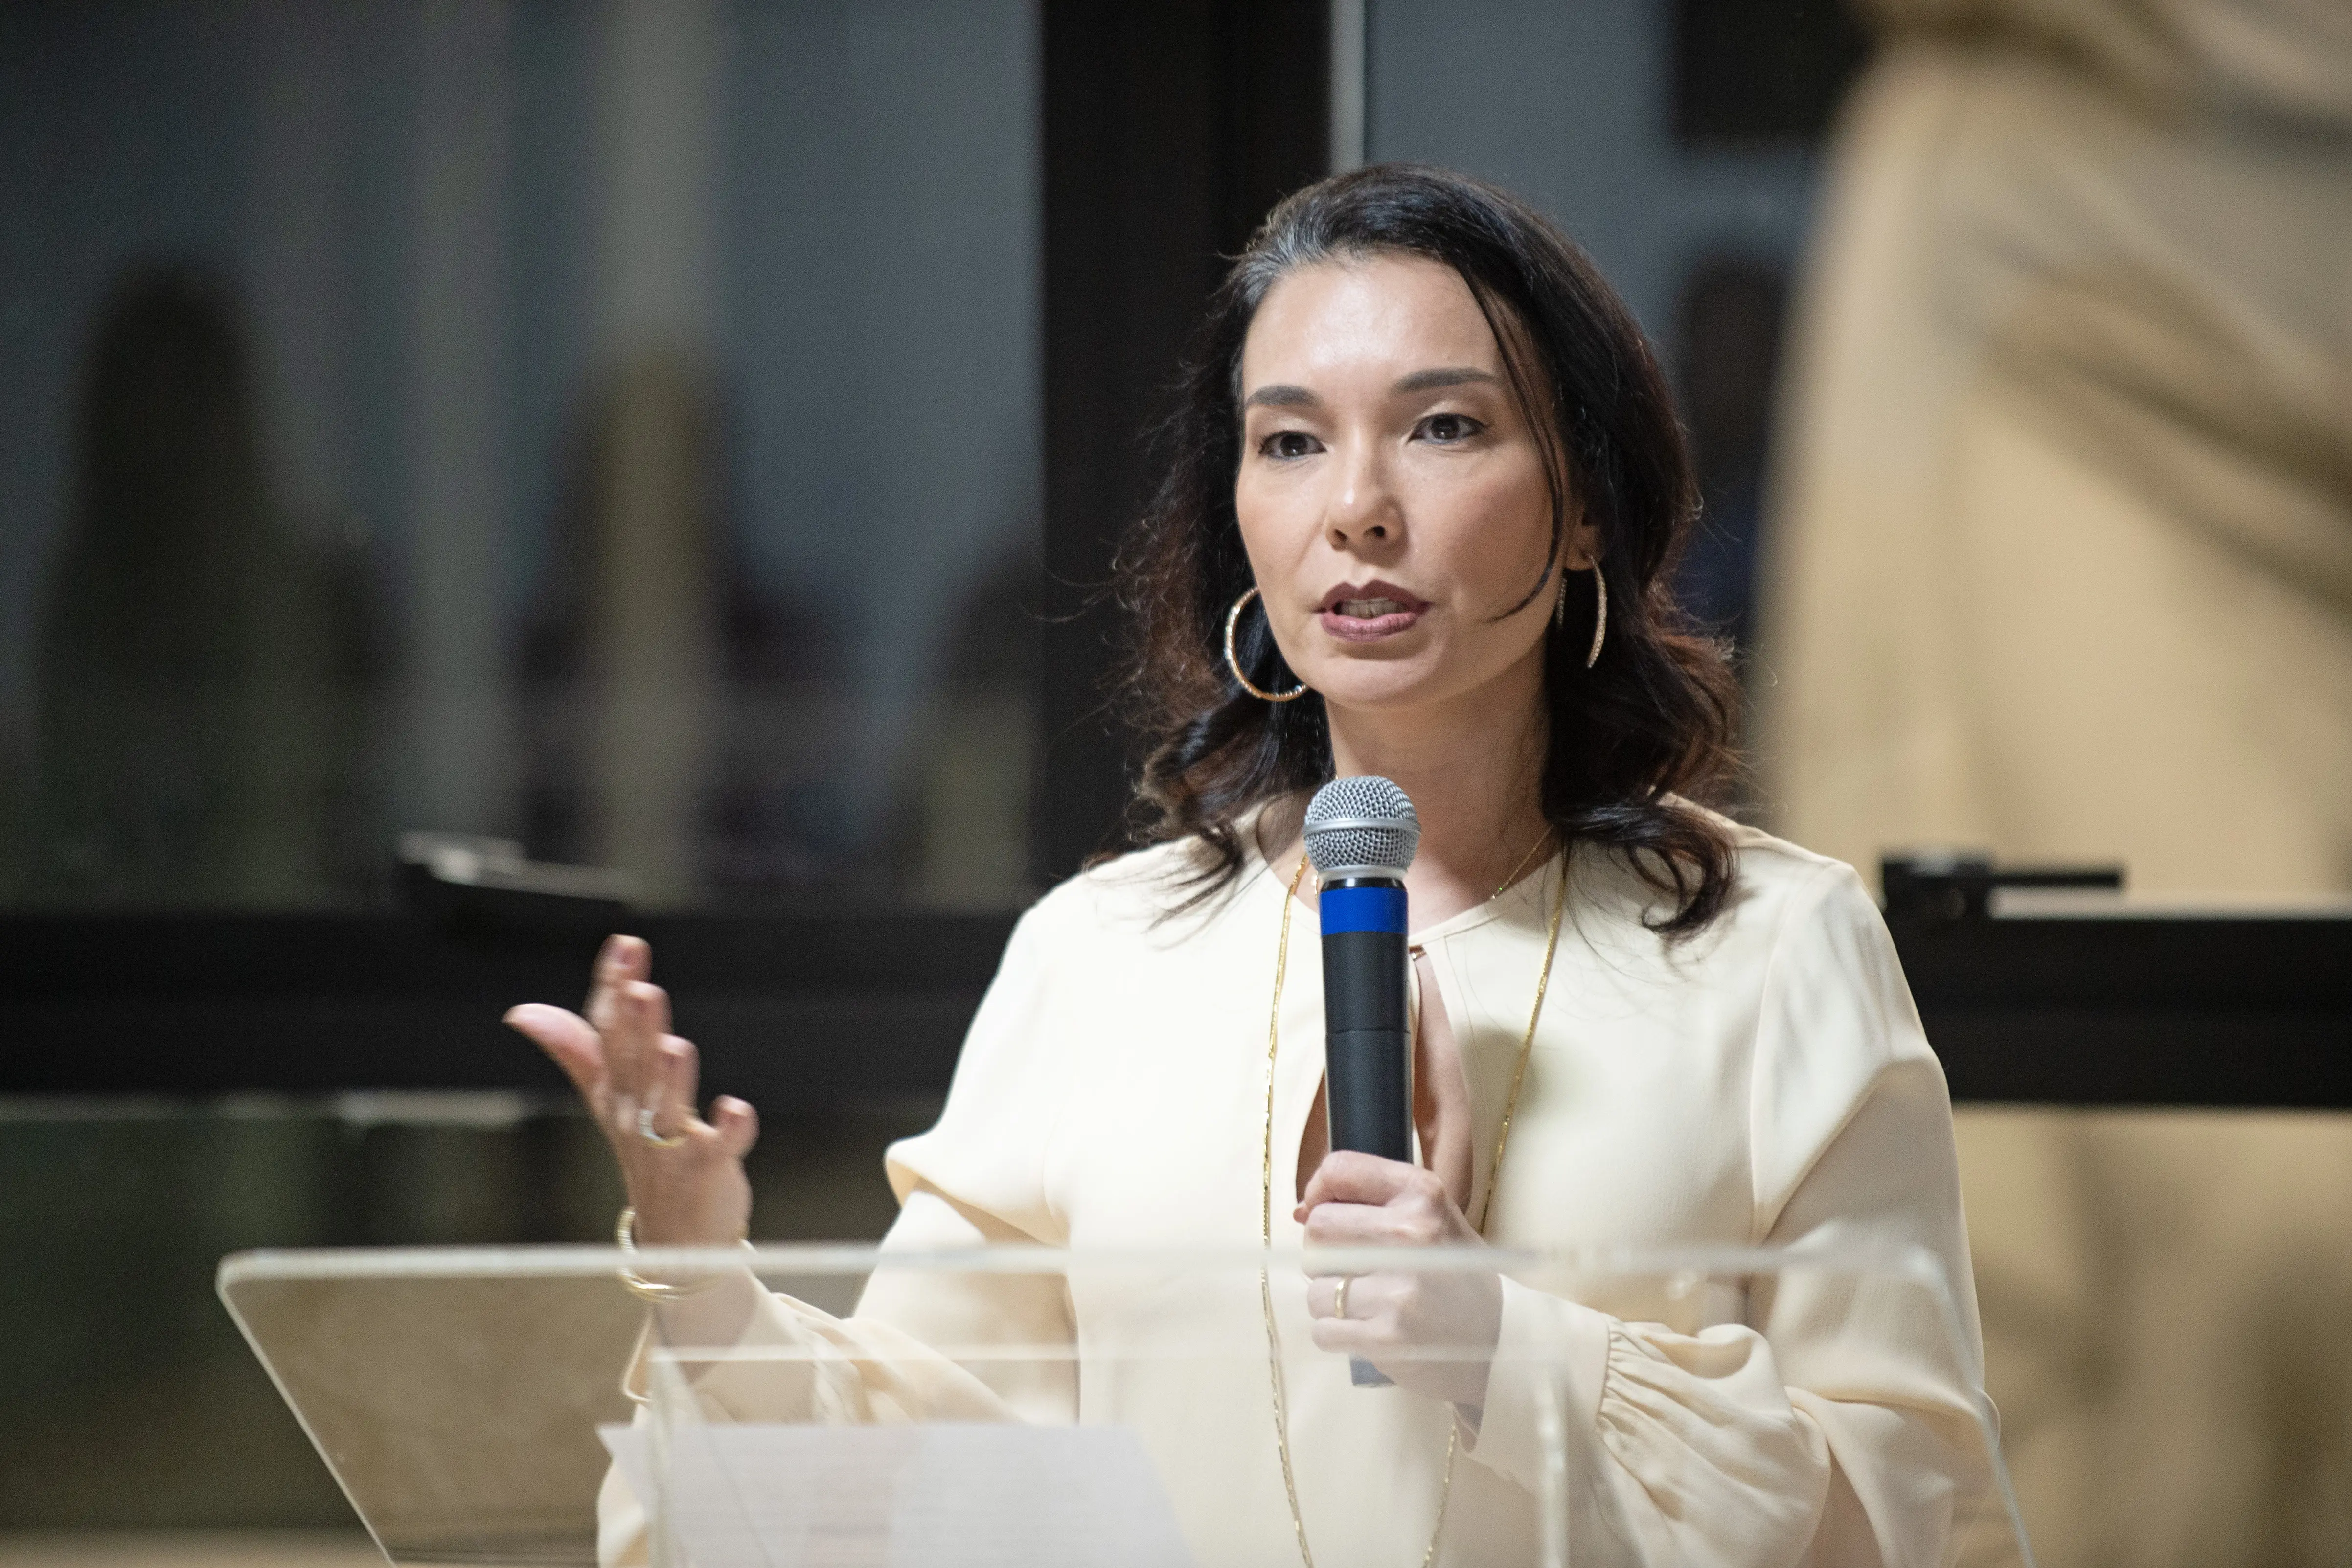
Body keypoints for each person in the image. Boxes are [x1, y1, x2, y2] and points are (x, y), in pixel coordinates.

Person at [508, 165, 2008, 1566]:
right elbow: (932, 1475)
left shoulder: (1773, 949)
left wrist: (1500, 1344)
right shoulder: (1101, 957)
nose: (1355, 504)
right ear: (1240, 520)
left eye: (1442, 427)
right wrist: (705, 1286)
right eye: (1289, 439)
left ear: (1585, 512)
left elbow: (1914, 1517)